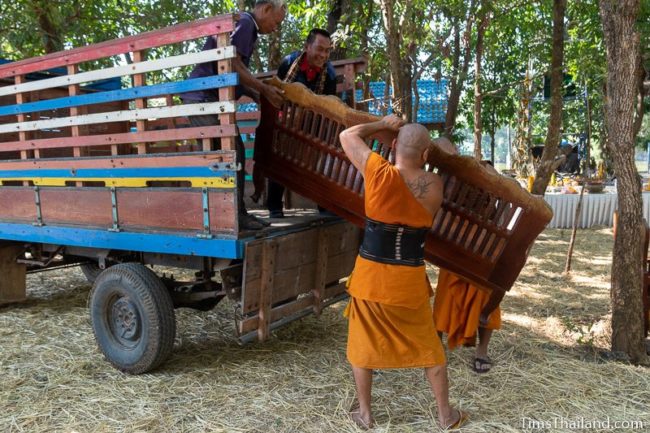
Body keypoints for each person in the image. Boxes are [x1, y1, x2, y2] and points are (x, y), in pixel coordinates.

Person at [339, 115, 468, 430]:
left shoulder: (377, 172)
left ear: (393, 145)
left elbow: (348, 135)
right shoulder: (435, 185)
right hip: (409, 279)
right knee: (428, 346)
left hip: (371, 277)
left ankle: (366, 415)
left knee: (362, 344)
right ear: (426, 156)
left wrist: (381, 123)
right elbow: (446, 152)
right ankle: (444, 415)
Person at [182, 0, 287, 230]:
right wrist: (263, 89)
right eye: (276, 22)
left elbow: (233, 70)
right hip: (203, 98)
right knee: (232, 153)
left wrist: (254, 93)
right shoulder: (247, 23)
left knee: (229, 153)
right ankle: (234, 215)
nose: (276, 28)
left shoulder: (246, 25)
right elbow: (232, 63)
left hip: (205, 99)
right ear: (266, 9)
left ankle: (229, 213)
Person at [265, 28, 337, 218]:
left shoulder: (329, 74)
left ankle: (323, 204)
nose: (323, 55)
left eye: (327, 51)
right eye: (319, 49)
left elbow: (329, 106)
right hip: (287, 118)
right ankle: (274, 205)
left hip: (315, 122)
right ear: (307, 46)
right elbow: (277, 92)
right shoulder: (289, 63)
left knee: (322, 153)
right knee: (280, 150)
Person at [433, 269, 502, 373]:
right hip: (455, 256)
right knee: (445, 293)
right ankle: (437, 347)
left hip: (489, 258)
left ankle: (482, 350)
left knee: (486, 297)